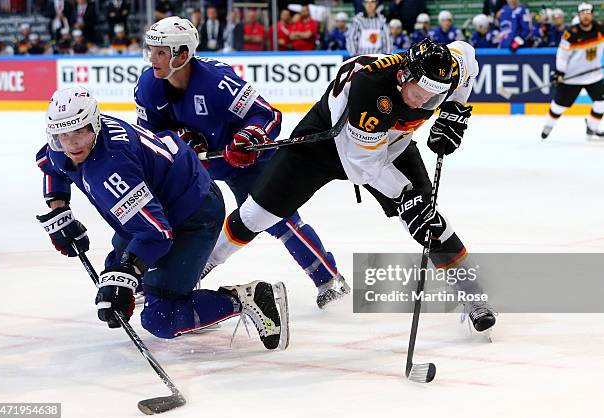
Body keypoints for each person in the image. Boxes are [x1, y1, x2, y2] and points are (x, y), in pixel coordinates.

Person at [206, 38, 497, 332]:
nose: (423, 103)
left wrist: (454, 112)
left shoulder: (449, 69)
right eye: (419, 94)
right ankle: (203, 264)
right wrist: (406, 196)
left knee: (427, 219)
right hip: (324, 145)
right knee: (257, 214)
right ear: (403, 76)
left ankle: (472, 293)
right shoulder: (371, 89)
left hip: (391, 144)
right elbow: (363, 168)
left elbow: (467, 58)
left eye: (433, 98)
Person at [35, 86, 289, 349]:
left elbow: (156, 234)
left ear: (94, 124)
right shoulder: (67, 145)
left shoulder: (112, 169)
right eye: (62, 134)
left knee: (161, 317)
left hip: (194, 211)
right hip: (157, 206)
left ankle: (247, 298)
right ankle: (180, 293)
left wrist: (127, 274)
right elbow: (49, 163)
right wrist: (58, 209)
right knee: (122, 273)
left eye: (79, 131)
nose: (71, 143)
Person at [134, 17, 349, 308]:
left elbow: (267, 115)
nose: (152, 58)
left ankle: (329, 279)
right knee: (176, 219)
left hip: (246, 164)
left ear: (182, 54)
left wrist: (249, 137)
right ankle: (171, 278)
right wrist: (178, 139)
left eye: (161, 52)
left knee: (279, 221)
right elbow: (150, 138)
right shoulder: (148, 86)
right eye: (151, 50)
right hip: (197, 169)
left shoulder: (216, 82)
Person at [541, 2, 604, 140]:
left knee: (601, 104)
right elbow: (562, 55)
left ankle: (592, 128)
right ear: (578, 15)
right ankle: (549, 125)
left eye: (588, 13)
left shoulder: (601, 29)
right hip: (572, 77)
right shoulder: (571, 33)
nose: (585, 16)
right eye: (583, 14)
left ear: (592, 15)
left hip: (594, 75)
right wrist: (560, 72)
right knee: (558, 106)